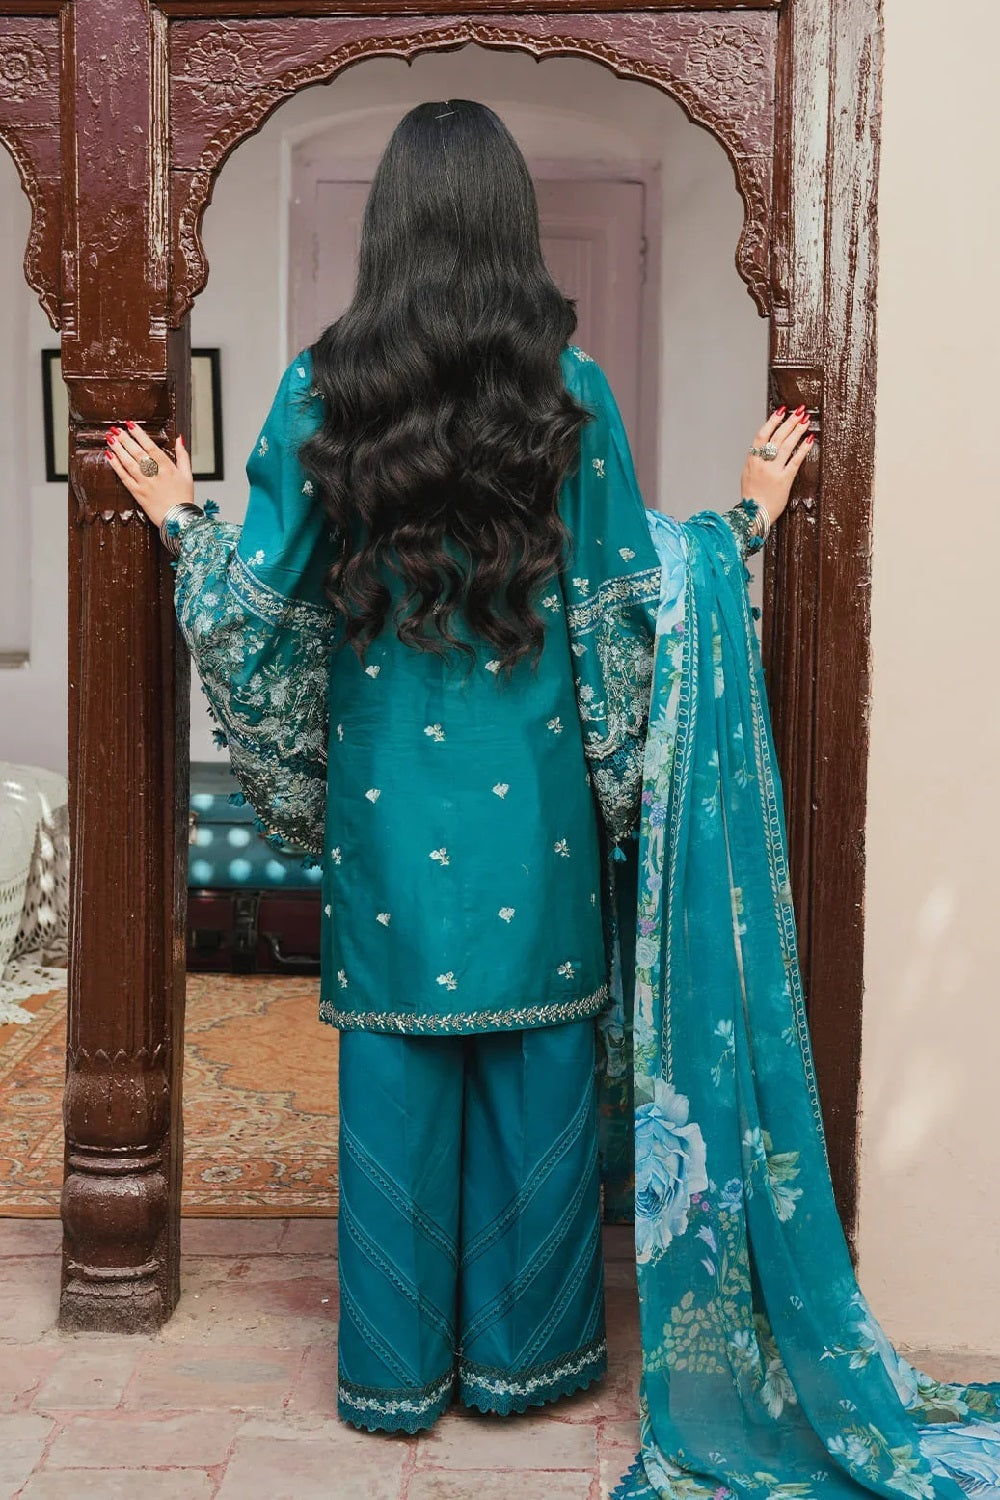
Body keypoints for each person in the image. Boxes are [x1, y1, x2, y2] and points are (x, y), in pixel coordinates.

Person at [104, 100, 1000, 1498]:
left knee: (398, 1077)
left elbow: (261, 616)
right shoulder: (568, 394)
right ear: (510, 226)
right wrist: (743, 522)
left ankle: (396, 1371)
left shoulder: (318, 395)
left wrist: (181, 523)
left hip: (389, 812)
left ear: (390, 229)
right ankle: (527, 1362)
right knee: (536, 1077)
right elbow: (634, 612)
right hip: (537, 810)